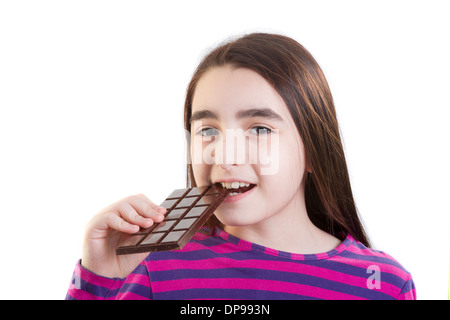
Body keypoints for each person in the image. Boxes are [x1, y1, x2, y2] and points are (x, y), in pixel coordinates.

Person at [66, 33, 416, 300]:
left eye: (260, 128)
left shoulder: (383, 284)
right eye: (207, 130)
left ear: (313, 150)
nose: (224, 155)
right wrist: (99, 277)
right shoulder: (155, 267)